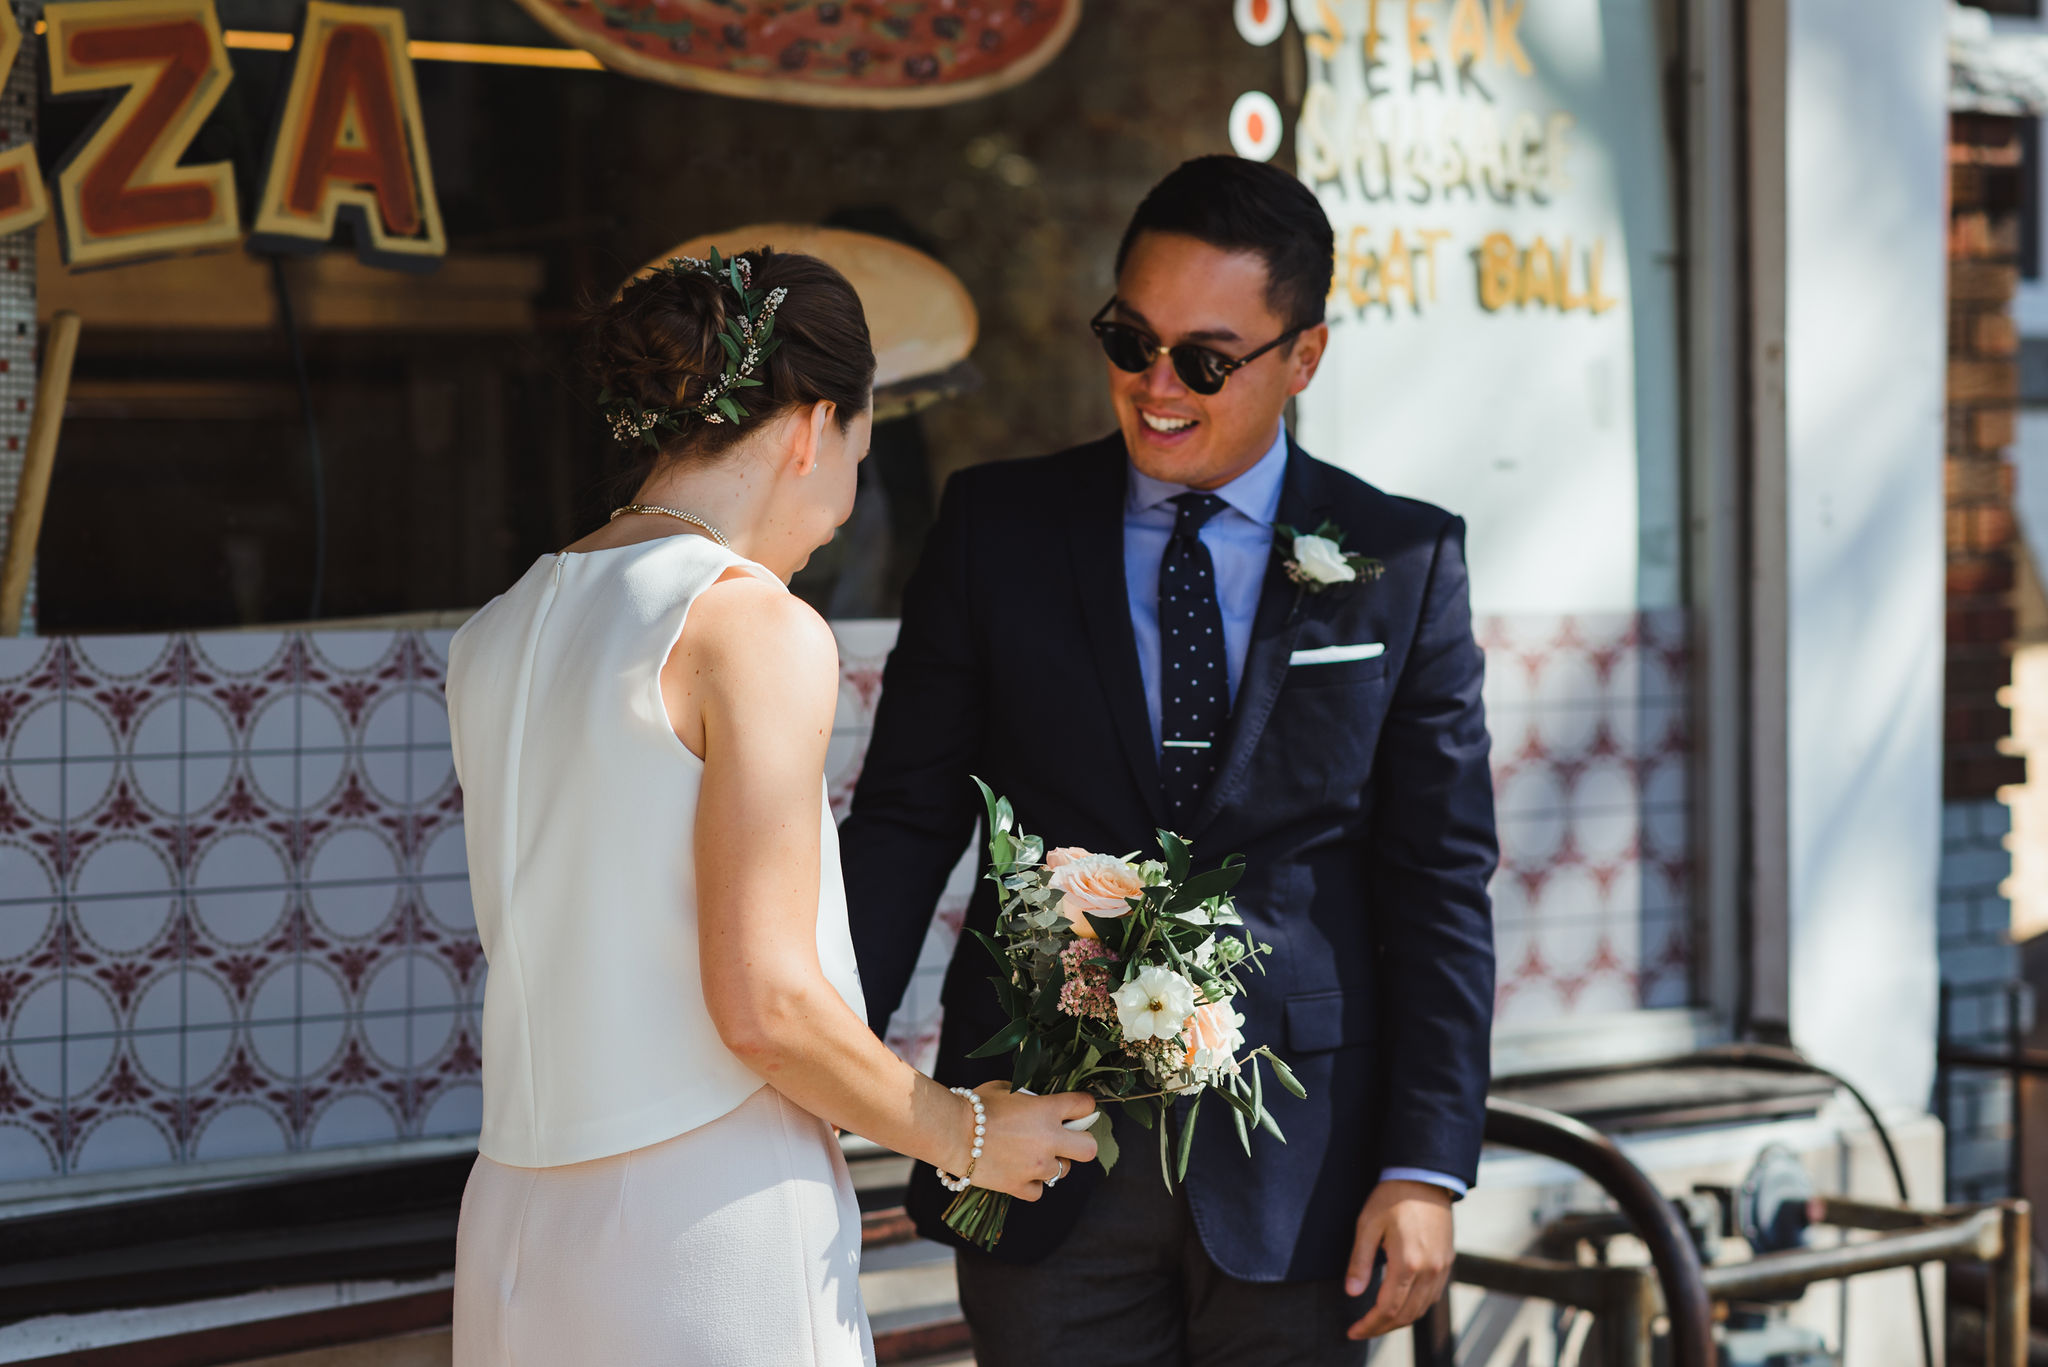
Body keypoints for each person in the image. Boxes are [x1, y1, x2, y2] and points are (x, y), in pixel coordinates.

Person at [841, 156, 1498, 1365]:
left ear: (1301, 357)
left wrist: (1424, 1162)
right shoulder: (995, 529)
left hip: (1305, 1175)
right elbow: (902, 818)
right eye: (1127, 339)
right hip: (1041, 1157)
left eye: (1204, 359)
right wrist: (830, 1063)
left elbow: (1438, 881)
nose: (1153, 387)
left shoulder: (1402, 560)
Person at [445, 248, 1096, 1367]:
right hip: (703, 1219)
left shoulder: (498, 626)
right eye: (858, 448)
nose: (846, 505)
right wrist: (966, 1131)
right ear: (813, 427)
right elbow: (763, 1002)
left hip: (514, 1219)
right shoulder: (749, 626)